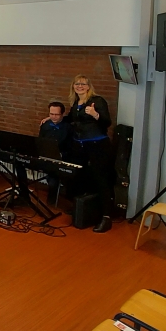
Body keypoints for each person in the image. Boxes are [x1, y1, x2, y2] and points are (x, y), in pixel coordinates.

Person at [64, 75, 113, 233]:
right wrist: (51, 119)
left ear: (88, 86)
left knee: (101, 179)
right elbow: (70, 119)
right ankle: (83, 208)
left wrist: (95, 114)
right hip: (80, 145)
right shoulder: (76, 103)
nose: (79, 86)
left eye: (83, 84)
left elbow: (107, 122)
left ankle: (106, 217)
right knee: (81, 176)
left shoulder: (97, 101)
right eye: (77, 83)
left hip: (97, 145)